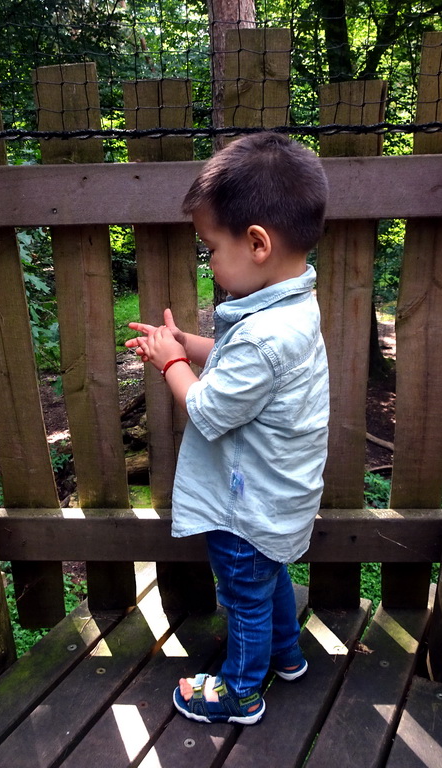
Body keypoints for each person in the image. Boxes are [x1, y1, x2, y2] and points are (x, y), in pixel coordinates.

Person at [125, 131, 331, 726]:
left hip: (248, 506)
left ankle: (240, 691)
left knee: (243, 592)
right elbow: (244, 358)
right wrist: (189, 344)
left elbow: (210, 409)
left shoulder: (266, 334)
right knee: (269, 579)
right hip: (280, 496)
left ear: (257, 243)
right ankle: (287, 656)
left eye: (210, 249)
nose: (209, 261)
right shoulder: (292, 307)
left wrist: (172, 366)